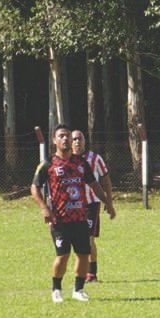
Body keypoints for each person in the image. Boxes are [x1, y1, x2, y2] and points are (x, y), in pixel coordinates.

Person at [30, 124, 116, 303]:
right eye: (61, 136)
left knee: (84, 254)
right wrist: (44, 208)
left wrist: (108, 202)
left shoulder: (81, 163)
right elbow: (34, 187)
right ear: (54, 140)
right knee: (63, 255)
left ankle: (78, 289)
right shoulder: (48, 164)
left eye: (67, 136)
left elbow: (94, 185)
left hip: (80, 218)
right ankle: (56, 289)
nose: (66, 139)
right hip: (59, 220)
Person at [71, 130, 114, 283]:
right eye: (74, 139)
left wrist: (109, 202)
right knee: (76, 240)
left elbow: (106, 180)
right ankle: (82, 272)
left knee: (88, 239)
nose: (77, 142)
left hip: (91, 205)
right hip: (73, 206)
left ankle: (91, 274)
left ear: (84, 141)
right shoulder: (65, 160)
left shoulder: (95, 159)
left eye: (79, 139)